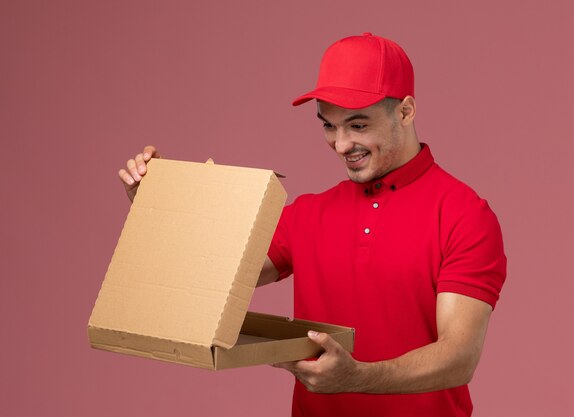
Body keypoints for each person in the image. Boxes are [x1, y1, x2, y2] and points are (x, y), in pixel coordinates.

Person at [118, 33, 506, 417]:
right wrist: (157, 206)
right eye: (328, 126)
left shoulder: (463, 214)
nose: (340, 145)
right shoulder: (308, 214)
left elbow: (459, 356)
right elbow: (210, 278)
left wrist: (357, 377)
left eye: (357, 126)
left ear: (405, 112)